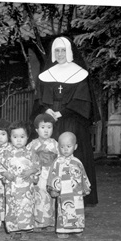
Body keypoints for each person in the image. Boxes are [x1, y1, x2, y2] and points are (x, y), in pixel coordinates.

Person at [31, 36, 100, 206]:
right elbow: (40, 98)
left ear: (68, 52)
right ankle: (50, 197)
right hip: (51, 122)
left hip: (72, 121)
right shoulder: (46, 74)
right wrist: (46, 109)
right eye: (57, 50)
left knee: (74, 155)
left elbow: (82, 101)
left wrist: (62, 112)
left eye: (63, 50)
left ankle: (77, 197)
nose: (60, 53)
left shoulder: (80, 73)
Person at [0, 121, 40, 241]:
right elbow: (0, 167)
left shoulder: (31, 153)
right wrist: (5, 173)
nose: (19, 140)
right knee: (11, 209)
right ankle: (13, 230)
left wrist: (31, 171)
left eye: (22, 137)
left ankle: (24, 230)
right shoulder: (6, 153)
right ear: (10, 138)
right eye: (15, 137)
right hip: (12, 188)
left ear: (27, 137)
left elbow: (37, 166)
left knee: (25, 208)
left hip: (26, 188)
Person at [47, 132, 91, 239]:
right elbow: (52, 175)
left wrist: (86, 188)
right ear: (58, 147)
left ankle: (77, 228)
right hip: (63, 193)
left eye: (68, 146)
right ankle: (63, 230)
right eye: (62, 147)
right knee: (63, 210)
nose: (65, 149)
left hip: (76, 193)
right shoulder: (57, 163)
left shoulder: (77, 162)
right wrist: (53, 189)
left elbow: (83, 176)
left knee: (77, 210)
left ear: (75, 147)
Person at [26, 113, 59, 232]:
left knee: (51, 196)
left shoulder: (56, 144)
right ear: (36, 129)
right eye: (43, 127)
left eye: (49, 127)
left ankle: (50, 222)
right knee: (38, 196)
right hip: (38, 174)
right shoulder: (32, 144)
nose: (46, 130)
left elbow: (60, 158)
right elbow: (27, 158)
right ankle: (38, 222)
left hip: (51, 172)